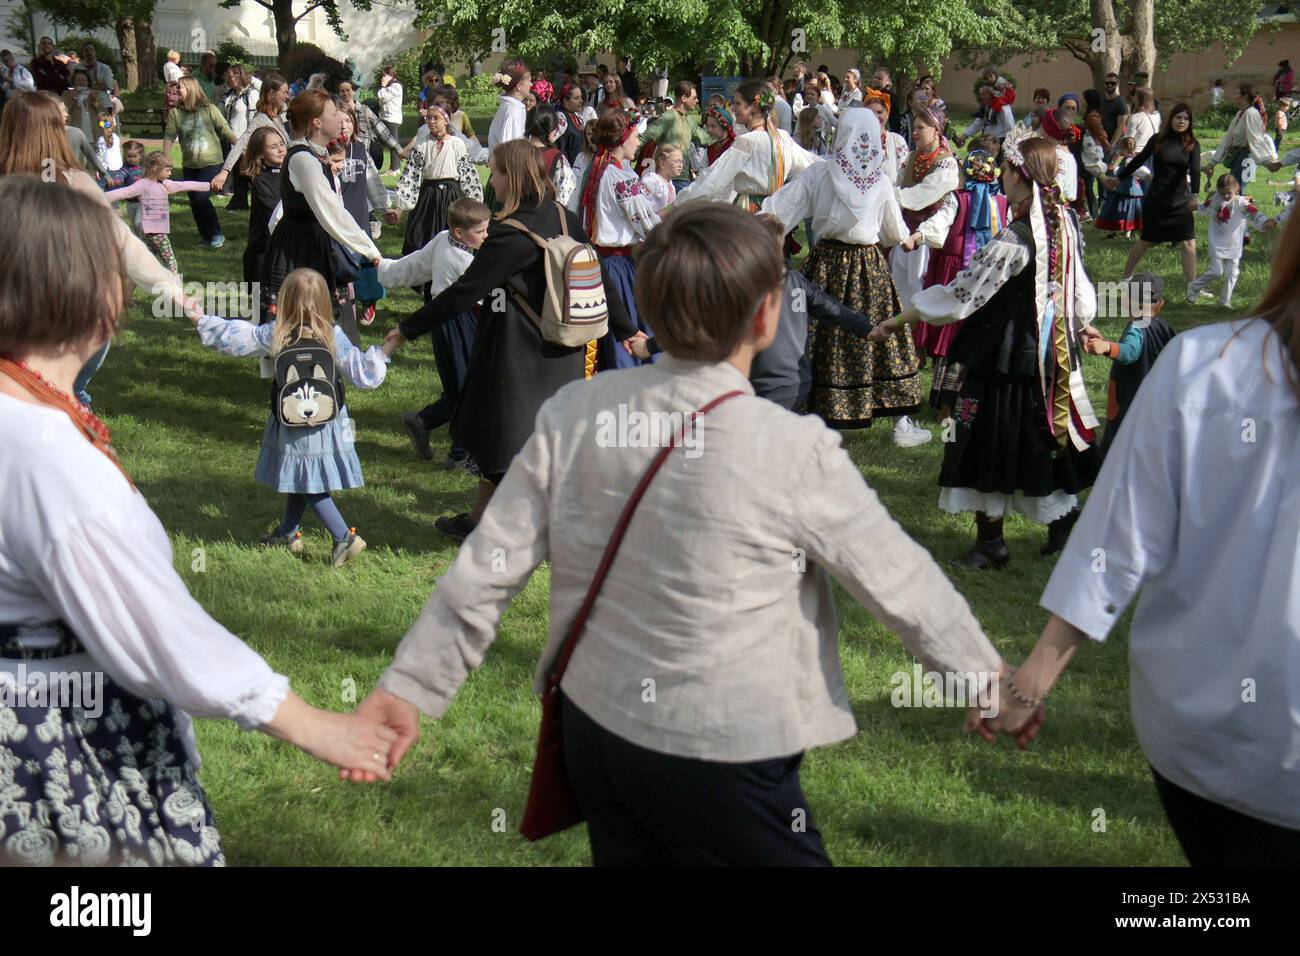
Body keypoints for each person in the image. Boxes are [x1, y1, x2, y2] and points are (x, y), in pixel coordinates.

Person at [348, 202, 1006, 866]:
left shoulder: (576, 411)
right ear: (766, 316)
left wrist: (410, 685)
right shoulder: (790, 446)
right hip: (724, 743)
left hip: (596, 736)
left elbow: (487, 566)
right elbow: (900, 580)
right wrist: (986, 678)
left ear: (649, 308)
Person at [0, 179, 399, 866]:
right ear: (92, 298)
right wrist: (314, 724)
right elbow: (158, 631)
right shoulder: (49, 461)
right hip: (70, 766)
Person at [979, 209, 1300, 867]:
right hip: (1224, 754)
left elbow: (1117, 537)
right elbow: (1116, 539)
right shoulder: (1199, 365)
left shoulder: (1206, 365)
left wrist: (1033, 677)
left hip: (1212, 746)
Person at [383, 140, 637, 539]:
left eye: (496, 171)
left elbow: (464, 291)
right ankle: (480, 521)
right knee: (509, 441)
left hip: (519, 352)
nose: (492, 179)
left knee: (510, 442)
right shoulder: (564, 216)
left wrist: (407, 328)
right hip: (564, 348)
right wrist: (626, 328)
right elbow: (599, 274)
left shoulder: (509, 235)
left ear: (511, 177)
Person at [871, 132, 1102, 566]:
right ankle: (1061, 523)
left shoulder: (1014, 239)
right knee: (1040, 433)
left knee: (984, 439)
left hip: (1007, 355)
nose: (1000, 177)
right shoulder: (1063, 223)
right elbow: (1079, 287)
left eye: (1006, 170)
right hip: (1050, 353)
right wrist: (1082, 324)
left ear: (1020, 174)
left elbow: (962, 295)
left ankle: (992, 543)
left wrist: (900, 318)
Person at [1, 92, 195, 407]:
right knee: (65, 397)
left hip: (22, 314)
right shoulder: (70, 182)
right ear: (53, 132)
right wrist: (176, 293)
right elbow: (122, 243)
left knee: (28, 398)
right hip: (68, 311)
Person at [193, 269, 397, 566]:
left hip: (291, 422)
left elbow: (235, 339)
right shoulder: (333, 334)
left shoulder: (276, 333)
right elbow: (363, 374)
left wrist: (200, 319)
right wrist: (388, 347)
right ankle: (287, 532)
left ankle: (344, 537)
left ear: (286, 301)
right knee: (301, 476)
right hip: (329, 422)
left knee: (307, 482)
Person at [762, 108, 923, 443]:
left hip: (828, 264)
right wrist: (909, 238)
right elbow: (894, 234)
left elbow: (779, 211)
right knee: (878, 334)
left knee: (820, 336)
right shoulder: (879, 180)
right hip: (868, 267)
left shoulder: (820, 174)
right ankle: (900, 424)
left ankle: (817, 415)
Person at [258, 90, 382, 349]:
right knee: (301, 318)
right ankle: (302, 372)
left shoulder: (312, 154)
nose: (340, 117)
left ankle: (318, 368)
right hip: (299, 250)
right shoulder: (304, 160)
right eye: (333, 113)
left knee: (314, 317)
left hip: (307, 241)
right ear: (316, 122)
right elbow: (331, 212)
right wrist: (369, 250)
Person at [383, 197, 491, 470]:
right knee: (467, 389)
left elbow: (415, 264)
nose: (486, 236)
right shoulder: (463, 262)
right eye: (481, 232)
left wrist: (385, 270)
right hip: (455, 321)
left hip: (451, 320)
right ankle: (459, 455)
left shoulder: (444, 239)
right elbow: (488, 294)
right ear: (459, 232)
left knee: (463, 387)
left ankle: (422, 422)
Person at [572, 108, 660, 370]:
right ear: (623, 139)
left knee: (602, 331)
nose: (638, 142)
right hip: (616, 267)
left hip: (590, 262)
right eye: (635, 137)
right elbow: (647, 223)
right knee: (628, 333)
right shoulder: (621, 177)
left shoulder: (592, 170)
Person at [675, 80, 819, 212]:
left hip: (749, 212)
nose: (733, 107)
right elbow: (813, 166)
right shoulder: (783, 138)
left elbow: (712, 179)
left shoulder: (747, 141)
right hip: (776, 211)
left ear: (754, 106)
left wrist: (675, 205)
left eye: (738, 103)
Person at [1078, 272, 1176, 457]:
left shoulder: (1136, 328)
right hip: (1157, 396)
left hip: (1131, 398)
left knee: (1121, 441)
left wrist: (1107, 347)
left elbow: (1130, 351)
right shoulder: (1164, 326)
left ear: (1126, 302)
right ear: (1161, 304)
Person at [1107, 103, 1201, 284]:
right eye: (1178, 117)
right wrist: (1119, 178)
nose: (1182, 121)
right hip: (1157, 199)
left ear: (1190, 122)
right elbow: (1139, 160)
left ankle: (1193, 287)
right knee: (1145, 240)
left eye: (1186, 118)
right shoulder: (1158, 140)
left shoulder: (1192, 144)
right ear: (1171, 119)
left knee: (1189, 242)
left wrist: (1195, 195)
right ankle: (1126, 278)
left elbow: (1195, 171)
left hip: (1180, 201)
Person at [396, 104, 482, 275]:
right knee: (424, 237)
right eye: (429, 118)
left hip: (451, 196)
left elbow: (467, 173)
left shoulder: (457, 144)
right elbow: (411, 175)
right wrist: (400, 206)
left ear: (446, 120)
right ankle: (428, 277)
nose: (432, 121)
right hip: (429, 196)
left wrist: (475, 202)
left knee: (453, 237)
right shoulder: (422, 146)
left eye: (436, 118)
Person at [103, 151, 216, 274]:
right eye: (167, 170)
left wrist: (209, 186)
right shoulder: (142, 185)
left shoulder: (165, 184)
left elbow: (185, 185)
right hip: (156, 233)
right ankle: (176, 288)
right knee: (171, 263)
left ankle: (129, 280)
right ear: (156, 168)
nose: (170, 173)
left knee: (145, 263)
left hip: (151, 233)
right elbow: (122, 192)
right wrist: (95, 196)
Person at [163, 76, 236, 248]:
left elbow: (225, 130)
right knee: (194, 202)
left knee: (201, 199)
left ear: (190, 89)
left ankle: (216, 234)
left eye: (179, 87)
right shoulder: (176, 113)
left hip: (212, 163)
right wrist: (165, 159)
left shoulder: (209, 109)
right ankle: (205, 236)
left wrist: (242, 147)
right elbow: (168, 136)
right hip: (189, 165)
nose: (176, 91)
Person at [1187, 173, 1263, 308]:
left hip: (1234, 243)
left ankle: (1224, 301)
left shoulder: (1241, 202)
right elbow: (1203, 208)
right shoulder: (1214, 200)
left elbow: (1253, 212)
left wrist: (1266, 221)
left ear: (1236, 188)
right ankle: (1194, 287)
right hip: (1216, 241)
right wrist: (1190, 206)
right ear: (1218, 190)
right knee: (1216, 271)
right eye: (1222, 193)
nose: (1226, 196)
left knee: (1232, 273)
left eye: (1229, 193)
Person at [212, 73, 288, 197]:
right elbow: (241, 144)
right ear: (271, 93)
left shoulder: (277, 117)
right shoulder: (261, 119)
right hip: (268, 180)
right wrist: (224, 172)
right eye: (284, 92)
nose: (287, 96)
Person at [639, 80, 710, 191]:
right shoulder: (667, 118)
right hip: (666, 178)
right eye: (694, 98)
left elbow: (706, 139)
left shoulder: (690, 121)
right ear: (684, 98)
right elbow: (645, 137)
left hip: (684, 177)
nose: (697, 101)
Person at [1205, 84, 1278, 188]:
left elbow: (1257, 138)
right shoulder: (1240, 114)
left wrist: (1268, 162)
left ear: (1245, 97)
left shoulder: (1251, 113)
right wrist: (1212, 163)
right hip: (1238, 156)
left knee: (1236, 191)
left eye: (1237, 93)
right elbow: (1228, 139)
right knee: (1232, 190)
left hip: (1248, 158)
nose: (1234, 96)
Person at [241, 126, 286, 285]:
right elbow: (277, 215)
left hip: (285, 252)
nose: (281, 149)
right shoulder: (261, 182)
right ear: (261, 153)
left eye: (281, 144)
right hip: (265, 255)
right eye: (274, 147)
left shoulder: (290, 172)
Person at [219, 64, 260, 209]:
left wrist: (251, 140)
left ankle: (257, 201)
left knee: (250, 172)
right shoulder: (230, 94)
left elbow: (255, 118)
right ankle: (239, 201)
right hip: (233, 140)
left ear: (239, 76)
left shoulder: (251, 94)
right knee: (237, 172)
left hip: (247, 140)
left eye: (230, 77)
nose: (228, 80)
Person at [1095, 135, 1147, 238]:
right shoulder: (1132, 159)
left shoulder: (1128, 160)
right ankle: (1122, 232)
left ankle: (1124, 232)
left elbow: (1113, 168)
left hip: (1124, 188)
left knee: (1121, 209)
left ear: (1124, 148)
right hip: (1130, 189)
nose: (1118, 150)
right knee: (1128, 210)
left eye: (1120, 148)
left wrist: (1117, 158)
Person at [525, 103, 577, 206]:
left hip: (516, 217)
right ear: (552, 129)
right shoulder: (556, 158)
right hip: (545, 216)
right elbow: (566, 196)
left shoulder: (513, 153)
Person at [488, 59, 531, 159]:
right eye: (529, 80)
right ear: (519, 86)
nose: (531, 84)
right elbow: (510, 150)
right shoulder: (513, 111)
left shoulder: (510, 107)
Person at [376, 65, 404, 171]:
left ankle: (394, 169)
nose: (382, 78)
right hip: (385, 118)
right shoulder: (390, 86)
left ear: (390, 76)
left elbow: (382, 97)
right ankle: (396, 167)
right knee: (390, 143)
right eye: (382, 76)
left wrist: (383, 86)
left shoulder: (396, 87)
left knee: (393, 144)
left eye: (385, 76)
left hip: (392, 119)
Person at [1100, 72, 1129, 142]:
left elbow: (1120, 128)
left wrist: (1110, 147)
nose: (1109, 85)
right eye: (1107, 83)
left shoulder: (1121, 103)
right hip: (1100, 142)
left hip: (1113, 145)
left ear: (1117, 84)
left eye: (1113, 83)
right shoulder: (1101, 100)